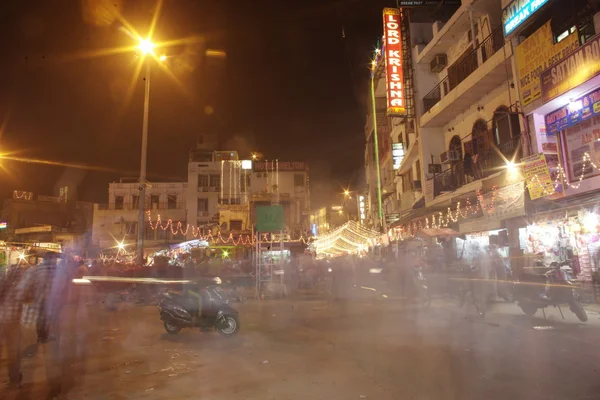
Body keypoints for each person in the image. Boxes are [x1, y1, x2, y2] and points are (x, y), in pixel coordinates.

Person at [0, 261, 29, 388]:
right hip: (14, 322)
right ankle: (15, 379)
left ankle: (14, 379)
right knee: (14, 352)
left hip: (4, 320)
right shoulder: (21, 288)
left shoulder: (4, 285)